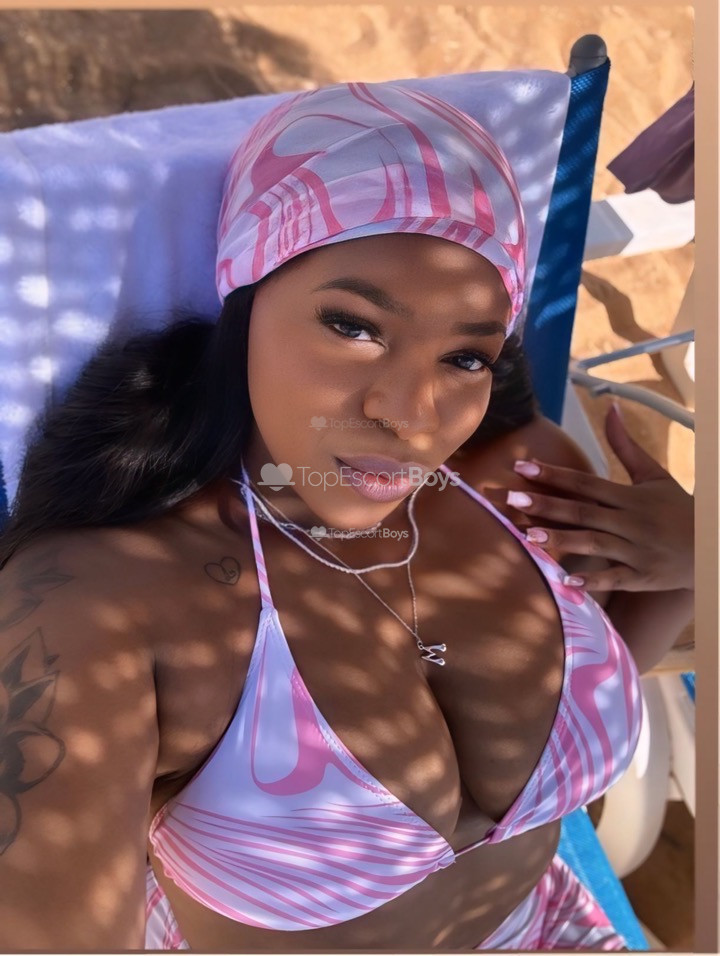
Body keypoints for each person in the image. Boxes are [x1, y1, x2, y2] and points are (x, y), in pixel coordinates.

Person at [0, 81, 693, 952]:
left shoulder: (517, 480)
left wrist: (691, 558)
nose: (413, 416)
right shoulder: (105, 608)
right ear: (247, 298)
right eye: (354, 327)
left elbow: (587, 684)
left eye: (466, 356)